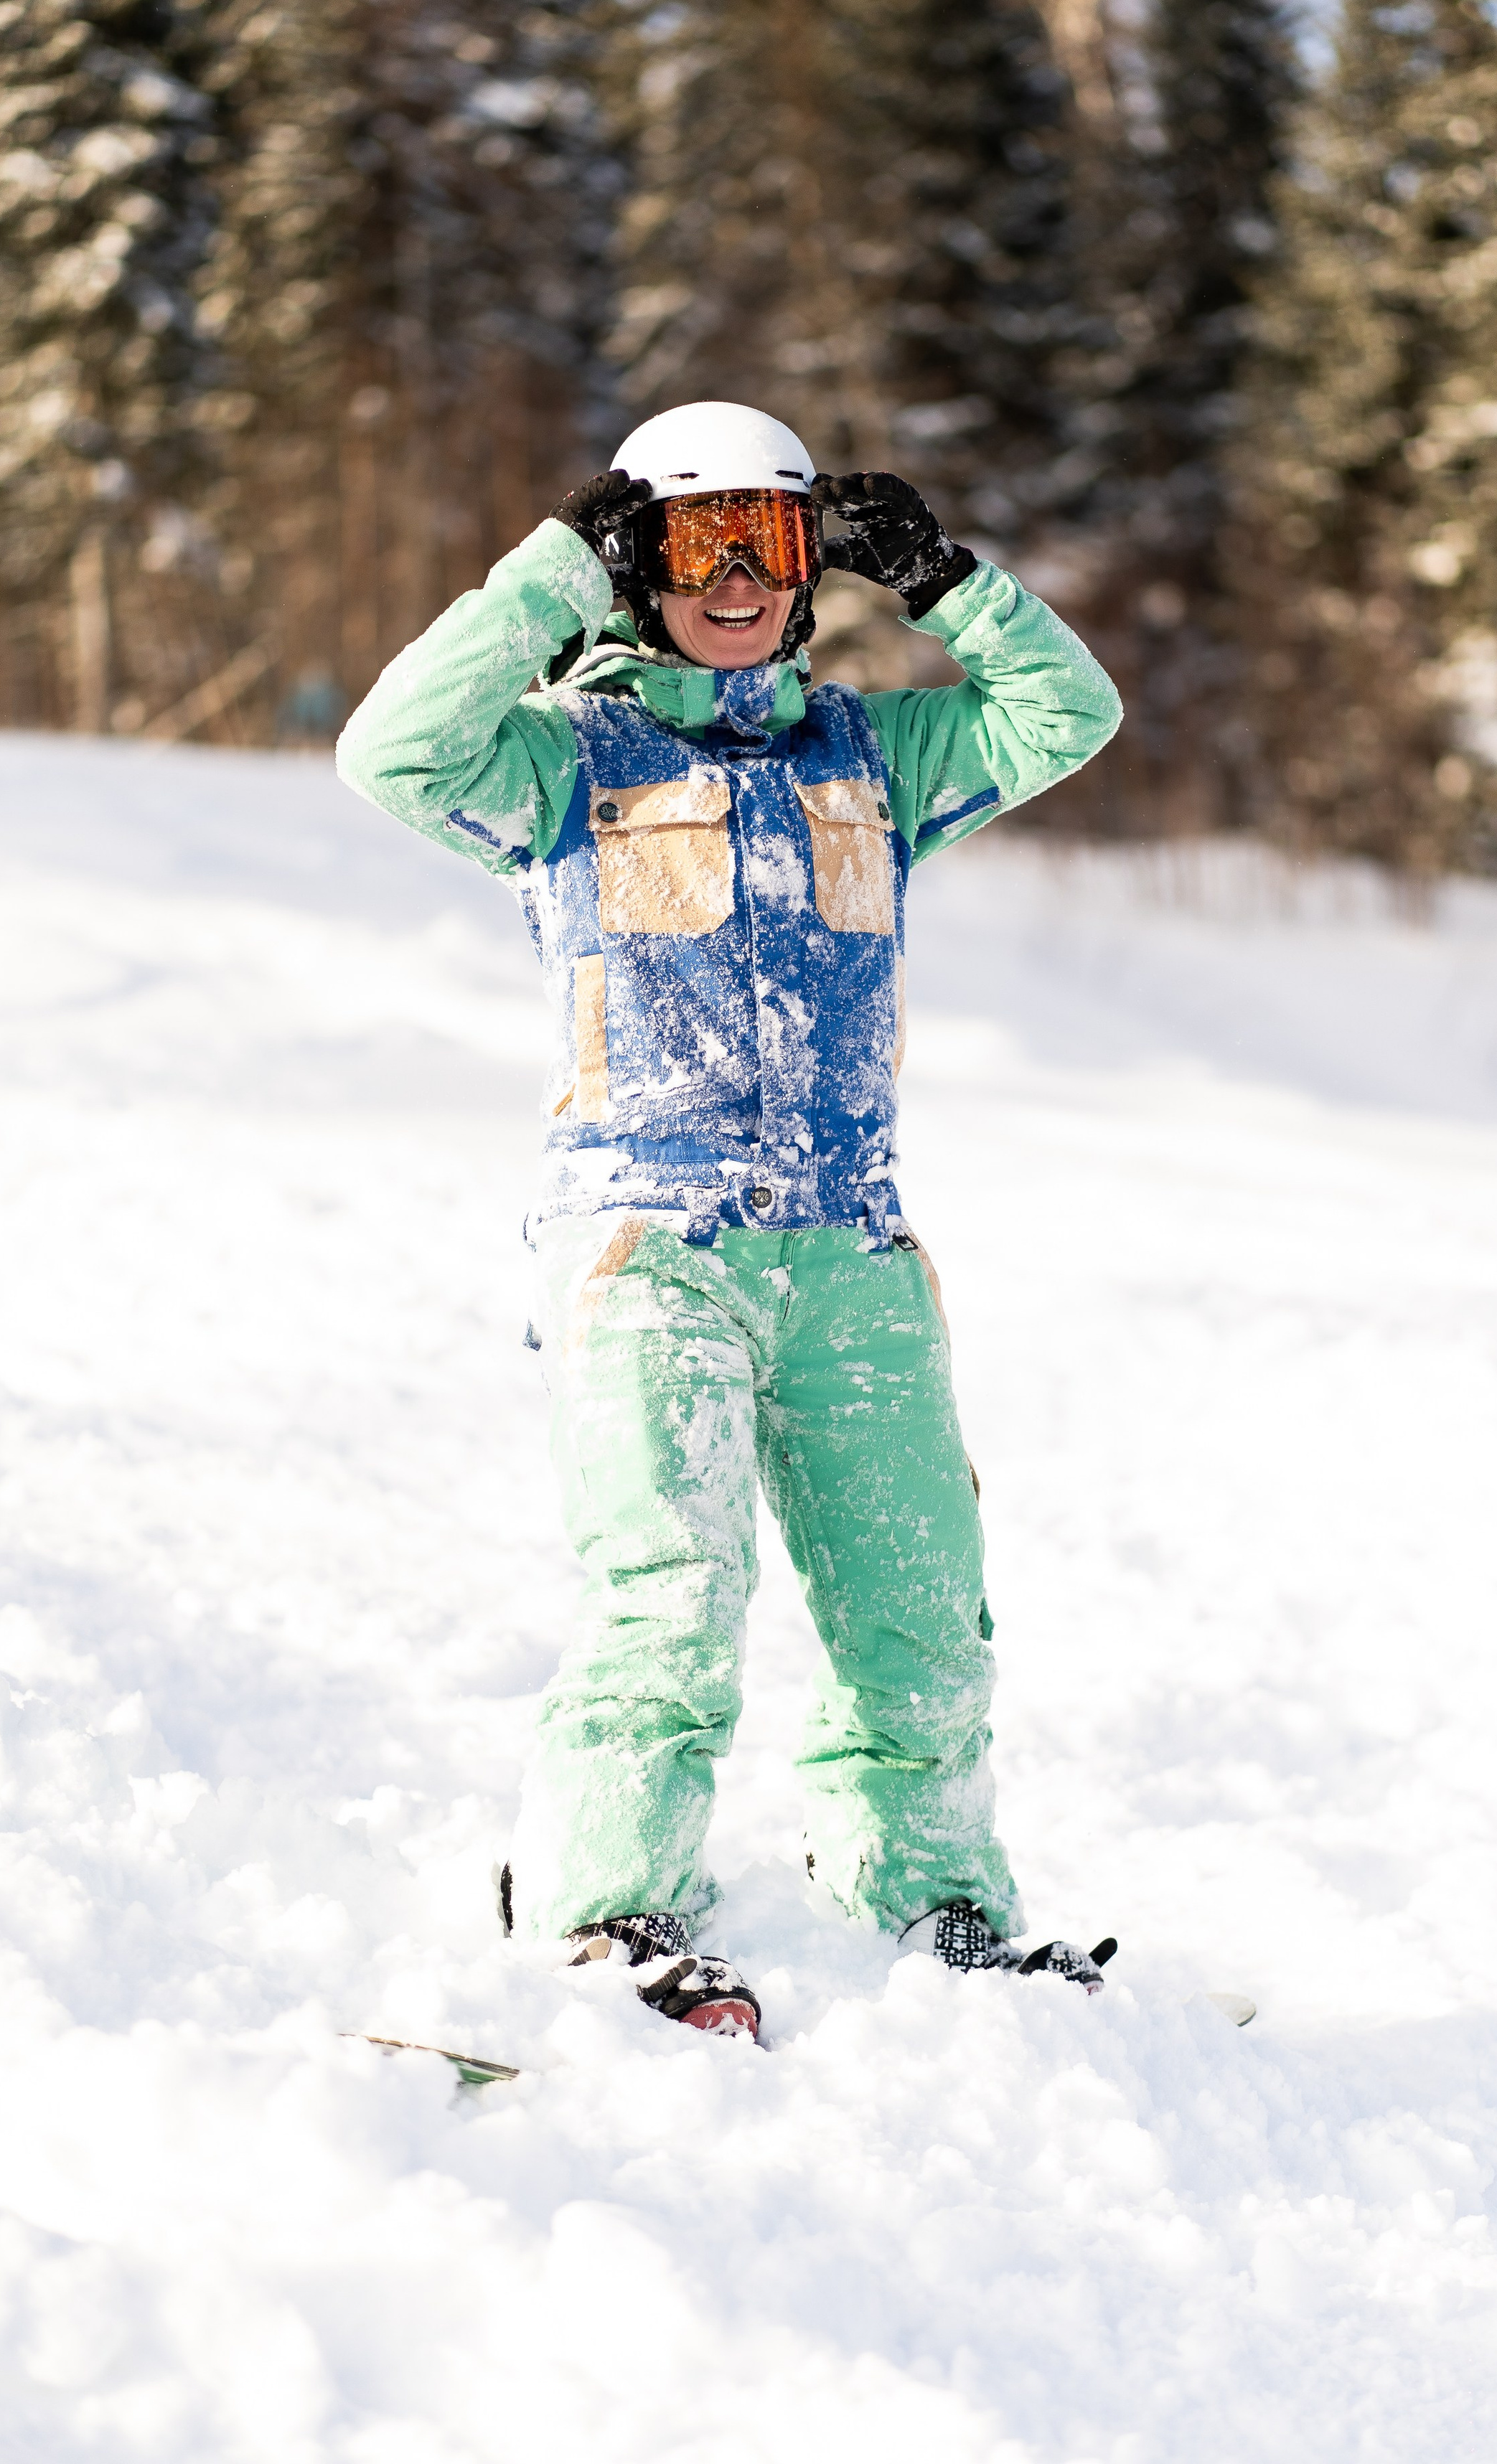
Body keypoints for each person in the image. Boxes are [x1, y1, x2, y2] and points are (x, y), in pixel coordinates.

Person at [336, 402, 1122, 2039]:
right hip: (647, 1244)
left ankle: (929, 1905)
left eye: (770, 544)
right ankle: (602, 1916)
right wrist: (552, 570)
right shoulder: (565, 758)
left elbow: (1067, 713)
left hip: (850, 1248)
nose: (738, 582)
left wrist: (948, 583)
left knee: (918, 1608)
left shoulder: (869, 750)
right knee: (669, 1594)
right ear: (640, 569)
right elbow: (390, 752)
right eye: (695, 548)